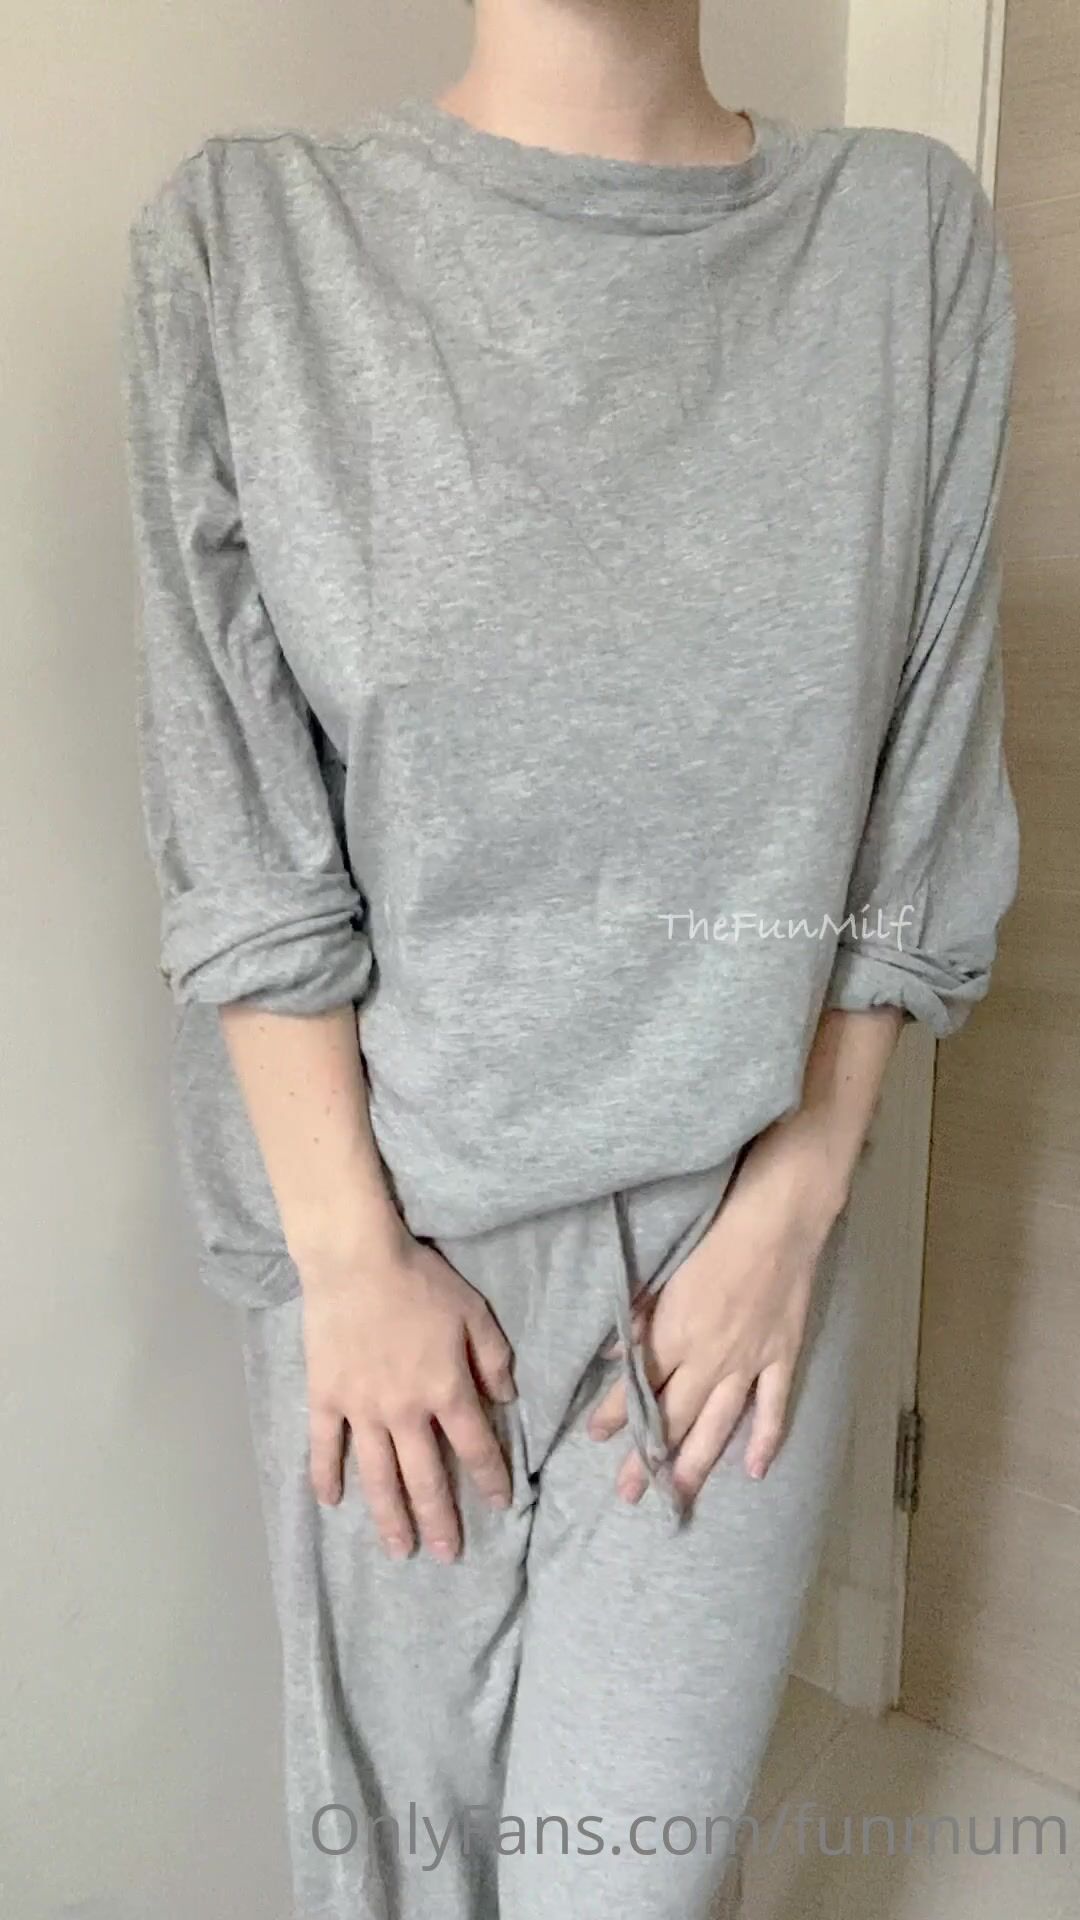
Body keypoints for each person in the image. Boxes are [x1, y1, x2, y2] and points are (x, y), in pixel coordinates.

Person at [119, 1, 1019, 1915]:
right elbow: (241, 822)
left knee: (627, 1884)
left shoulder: (903, 238)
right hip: (386, 1251)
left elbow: (919, 793)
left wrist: (798, 1201)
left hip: (740, 1246)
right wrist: (352, 1263)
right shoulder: (249, 241)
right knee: (398, 1880)